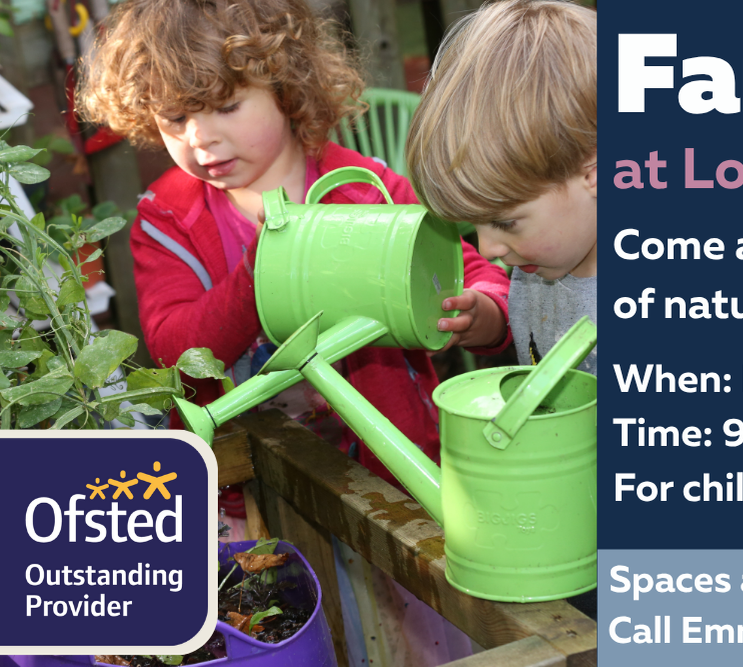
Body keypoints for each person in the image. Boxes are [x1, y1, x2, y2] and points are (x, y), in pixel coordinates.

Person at [76, 0, 513, 485]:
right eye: (175, 118)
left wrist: (484, 313)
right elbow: (177, 356)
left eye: (227, 107)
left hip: (391, 474)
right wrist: (260, 271)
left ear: (284, 86)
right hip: (249, 487)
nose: (201, 138)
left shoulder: (363, 190)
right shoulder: (168, 221)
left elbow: (470, 272)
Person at [406, 0, 597, 375]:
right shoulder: (545, 255)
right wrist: (492, 321)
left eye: (506, 223)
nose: (488, 249)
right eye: (475, 225)